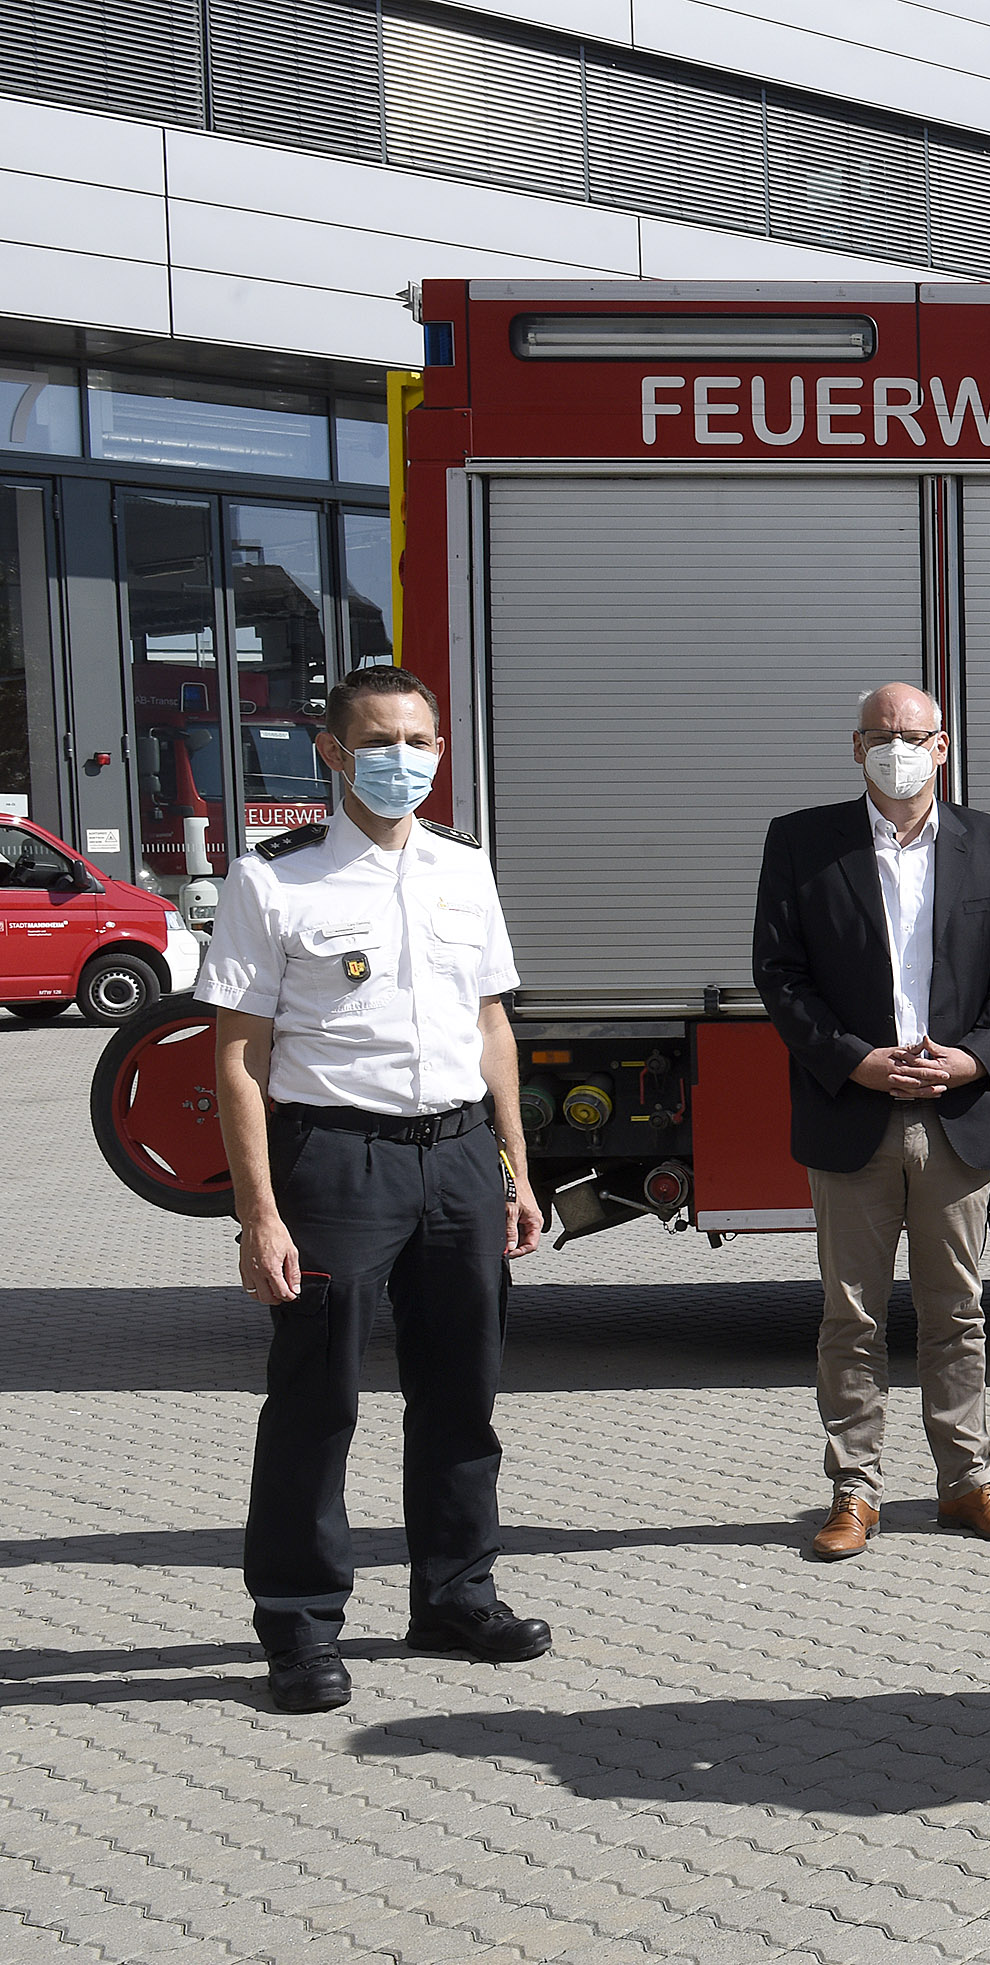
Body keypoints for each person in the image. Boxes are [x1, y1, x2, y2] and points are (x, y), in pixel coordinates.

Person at [197, 663, 551, 1714]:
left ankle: (455, 1596)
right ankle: (300, 1624)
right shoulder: (275, 880)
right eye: (382, 742)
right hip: (336, 1163)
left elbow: (490, 1025)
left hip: (459, 1158)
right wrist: (258, 1213)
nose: (406, 759)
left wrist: (514, 1169)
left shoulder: (463, 868)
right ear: (335, 753)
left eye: (420, 741)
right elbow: (238, 1057)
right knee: (317, 1400)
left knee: (463, 1394)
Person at [752, 683, 990, 1560]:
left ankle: (966, 1482)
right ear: (855, 748)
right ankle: (855, 1490)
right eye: (880, 734)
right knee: (851, 1316)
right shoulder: (803, 842)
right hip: (854, 1109)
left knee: (958, 1312)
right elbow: (780, 974)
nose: (896, 749)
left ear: (941, 746)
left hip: (957, 1114)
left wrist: (973, 1059)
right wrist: (853, 1059)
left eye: (912, 735)